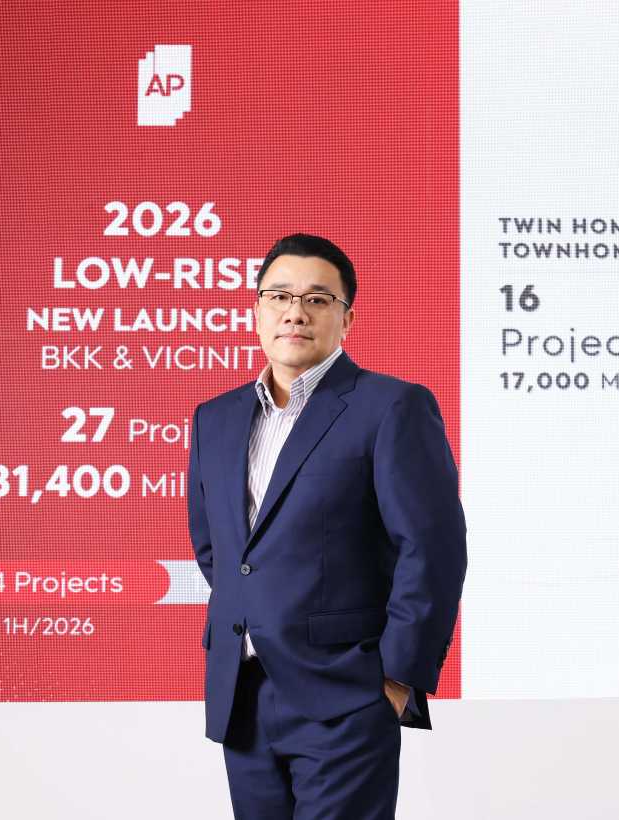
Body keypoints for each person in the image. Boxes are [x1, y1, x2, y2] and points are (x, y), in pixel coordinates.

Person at [187, 233, 467, 819]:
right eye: (279, 296)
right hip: (243, 698)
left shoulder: (391, 407)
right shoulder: (215, 418)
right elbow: (220, 552)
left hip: (346, 695)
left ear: (347, 319)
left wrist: (395, 681)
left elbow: (431, 550)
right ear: (256, 311)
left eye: (318, 299)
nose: (295, 312)